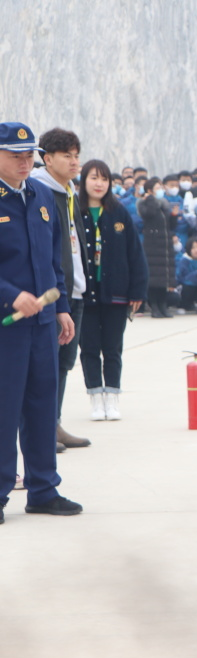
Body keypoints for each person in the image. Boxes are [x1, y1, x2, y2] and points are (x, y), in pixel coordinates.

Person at [0, 121, 82, 523]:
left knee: (42, 404)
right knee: (5, 406)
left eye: (28, 155)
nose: (24, 162)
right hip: (7, 324)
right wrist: (10, 295)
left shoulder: (43, 196)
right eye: (15, 155)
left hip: (44, 323)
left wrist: (62, 307)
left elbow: (55, 263)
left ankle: (43, 489)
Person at [30, 128, 92, 449]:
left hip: (75, 289)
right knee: (47, 363)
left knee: (65, 362)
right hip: (55, 294)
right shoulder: (40, 192)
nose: (74, 162)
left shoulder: (68, 191)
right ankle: (41, 429)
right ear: (47, 157)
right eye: (67, 155)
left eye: (76, 155)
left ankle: (54, 423)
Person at [77, 159, 149, 421]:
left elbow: (135, 254)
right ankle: (95, 398)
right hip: (84, 294)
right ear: (84, 181)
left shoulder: (119, 213)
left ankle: (112, 397)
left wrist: (137, 292)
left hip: (116, 293)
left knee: (113, 348)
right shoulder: (75, 211)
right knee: (89, 348)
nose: (99, 184)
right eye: (94, 178)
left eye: (104, 179)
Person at [139, 176, 176, 318]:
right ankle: (154, 305)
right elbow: (149, 214)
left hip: (165, 246)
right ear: (149, 190)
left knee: (164, 277)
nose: (161, 190)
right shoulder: (144, 203)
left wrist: (173, 216)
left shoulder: (163, 204)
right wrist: (150, 199)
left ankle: (163, 305)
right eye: (157, 188)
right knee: (154, 278)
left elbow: (170, 226)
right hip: (153, 246)